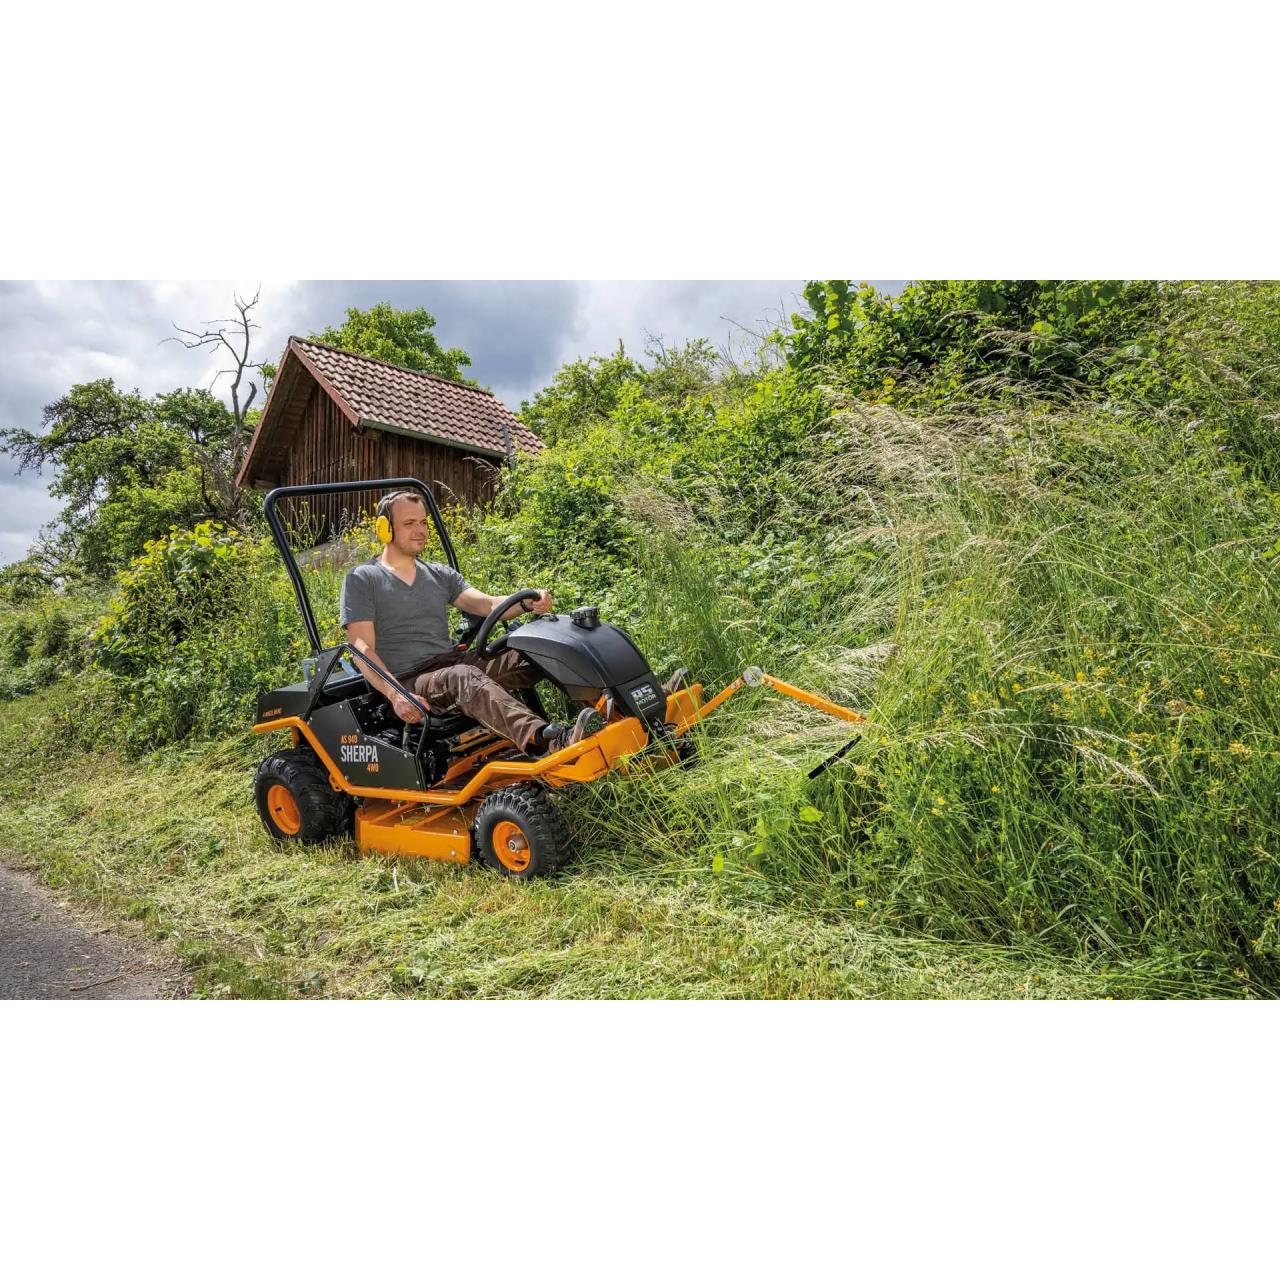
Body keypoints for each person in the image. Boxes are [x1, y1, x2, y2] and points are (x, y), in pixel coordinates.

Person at [339, 490, 599, 756]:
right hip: (410, 681)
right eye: (409, 523)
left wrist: (527, 602)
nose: (420, 530)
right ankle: (551, 741)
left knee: (533, 649)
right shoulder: (363, 579)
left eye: (423, 522)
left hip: (453, 664)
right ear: (385, 528)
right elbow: (361, 648)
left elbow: (487, 605)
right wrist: (396, 694)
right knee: (463, 676)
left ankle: (602, 713)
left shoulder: (439, 574)